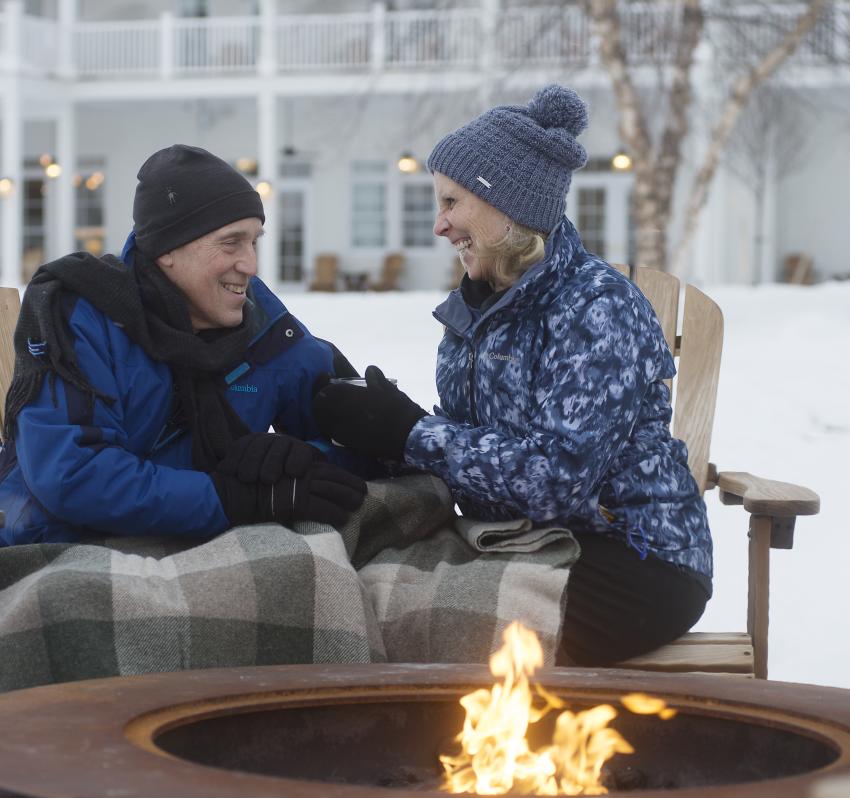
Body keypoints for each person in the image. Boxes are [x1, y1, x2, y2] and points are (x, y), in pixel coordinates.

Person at [312, 85, 713, 667]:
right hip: (518, 542)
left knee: (436, 616)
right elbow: (464, 451)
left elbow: (556, 480)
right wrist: (376, 427)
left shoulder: (597, 308)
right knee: (360, 586)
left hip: (635, 560)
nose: (439, 226)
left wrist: (412, 433)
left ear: (508, 208)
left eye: (452, 203)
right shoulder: (477, 309)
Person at [0, 144, 366, 546]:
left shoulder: (261, 324)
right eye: (231, 243)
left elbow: (360, 436)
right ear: (167, 251)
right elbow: (72, 473)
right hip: (56, 549)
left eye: (254, 242)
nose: (250, 265)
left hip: (202, 555)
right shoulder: (82, 316)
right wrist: (231, 498)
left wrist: (299, 461)